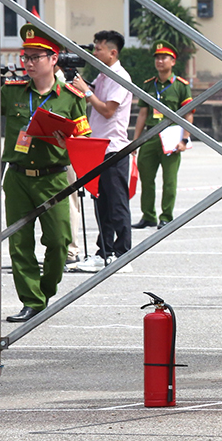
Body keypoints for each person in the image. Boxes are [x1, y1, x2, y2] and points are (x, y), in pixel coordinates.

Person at [0, 24, 90, 322]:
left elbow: (84, 142)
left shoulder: (71, 97)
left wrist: (67, 142)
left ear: (53, 59)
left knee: (59, 241)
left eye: (35, 57)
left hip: (54, 176)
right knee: (20, 243)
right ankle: (31, 301)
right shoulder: (13, 91)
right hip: (18, 177)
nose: (29, 63)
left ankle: (45, 290)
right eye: (26, 57)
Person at [71, 30, 134, 272]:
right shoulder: (103, 75)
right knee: (102, 203)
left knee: (117, 203)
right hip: (98, 147)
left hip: (114, 149)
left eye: (98, 49)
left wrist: (87, 92)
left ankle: (123, 252)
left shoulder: (120, 76)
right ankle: (105, 251)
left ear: (112, 52)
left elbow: (108, 110)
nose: (95, 52)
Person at [132, 41, 193, 230]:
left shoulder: (181, 86)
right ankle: (148, 216)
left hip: (171, 139)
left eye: (164, 57)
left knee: (169, 181)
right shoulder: (149, 85)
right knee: (147, 180)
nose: (160, 61)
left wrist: (184, 139)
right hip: (150, 137)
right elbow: (143, 113)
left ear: (173, 61)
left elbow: (188, 113)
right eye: (157, 58)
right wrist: (136, 141)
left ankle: (166, 216)